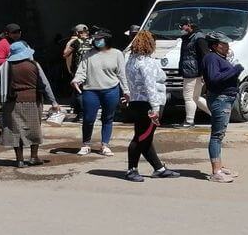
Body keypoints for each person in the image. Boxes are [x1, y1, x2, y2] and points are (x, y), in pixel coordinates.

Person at [124, 30, 180, 182]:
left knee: (145, 137)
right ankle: (132, 169)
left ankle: (158, 168)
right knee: (141, 138)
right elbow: (150, 87)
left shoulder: (130, 61)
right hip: (148, 104)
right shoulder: (147, 63)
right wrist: (155, 109)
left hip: (136, 102)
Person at [0, 41, 60, 168]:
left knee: (15, 131)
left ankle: (19, 160)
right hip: (33, 101)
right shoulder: (34, 65)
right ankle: (34, 157)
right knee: (34, 129)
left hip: (11, 102)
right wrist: (53, 101)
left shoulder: (4, 67)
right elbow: (45, 84)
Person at [72, 29, 130, 157]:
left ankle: (105, 145)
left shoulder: (117, 54)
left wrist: (126, 91)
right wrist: (76, 80)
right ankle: (86, 144)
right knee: (88, 119)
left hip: (111, 90)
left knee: (108, 118)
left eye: (100, 39)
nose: (97, 41)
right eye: (96, 39)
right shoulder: (88, 54)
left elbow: (122, 74)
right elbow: (82, 70)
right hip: (90, 91)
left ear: (107, 39)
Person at [201, 32, 242, 183]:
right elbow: (214, 78)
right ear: (215, 45)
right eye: (223, 44)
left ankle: (219, 166)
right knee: (217, 136)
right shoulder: (211, 58)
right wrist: (234, 71)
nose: (227, 46)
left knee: (220, 135)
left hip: (225, 99)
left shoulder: (218, 58)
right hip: (220, 99)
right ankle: (216, 171)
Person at [178, 16, 211, 128]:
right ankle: (216, 115)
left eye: (182, 25)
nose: (181, 28)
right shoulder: (189, 37)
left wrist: (204, 73)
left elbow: (205, 56)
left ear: (189, 25)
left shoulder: (198, 38)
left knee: (188, 97)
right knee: (196, 98)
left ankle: (189, 121)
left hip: (192, 72)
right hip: (193, 71)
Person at [62, 24, 92, 121]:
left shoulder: (75, 42)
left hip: (79, 71)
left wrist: (70, 42)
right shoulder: (93, 41)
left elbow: (65, 54)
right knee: (90, 92)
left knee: (79, 92)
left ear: (76, 33)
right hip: (91, 71)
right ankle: (88, 113)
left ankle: (81, 114)